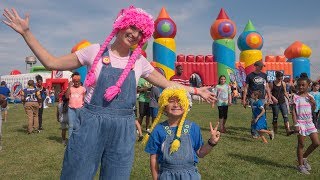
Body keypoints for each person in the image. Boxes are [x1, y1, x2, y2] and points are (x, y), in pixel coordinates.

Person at [2, 6, 214, 179]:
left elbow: (167, 84)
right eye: (132, 27)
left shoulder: (139, 61)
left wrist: (196, 90)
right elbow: (51, 62)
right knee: (77, 174)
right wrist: (26, 33)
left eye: (140, 32)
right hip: (90, 123)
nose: (134, 34)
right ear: (122, 24)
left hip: (123, 128)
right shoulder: (94, 51)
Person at [143, 87, 220, 180]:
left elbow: (200, 153)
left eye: (180, 100)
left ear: (187, 104)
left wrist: (211, 142)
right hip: (167, 176)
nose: (176, 105)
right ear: (164, 106)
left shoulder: (193, 128)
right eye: (171, 101)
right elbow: (153, 158)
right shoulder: (158, 130)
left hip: (190, 176)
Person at [291, 77, 320, 174]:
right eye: (299, 85)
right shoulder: (295, 97)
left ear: (308, 85)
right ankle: (300, 166)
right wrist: (296, 124)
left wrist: (313, 104)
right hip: (300, 122)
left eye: (303, 85)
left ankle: (304, 157)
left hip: (309, 122)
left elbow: (314, 109)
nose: (300, 87)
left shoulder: (310, 96)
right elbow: (293, 111)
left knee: (316, 143)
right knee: (301, 144)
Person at [242, 61, 272, 138]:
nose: (262, 67)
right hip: (253, 99)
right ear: (255, 66)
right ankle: (254, 132)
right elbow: (246, 88)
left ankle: (261, 131)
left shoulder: (264, 75)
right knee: (255, 114)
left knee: (262, 115)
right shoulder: (250, 76)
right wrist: (244, 99)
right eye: (260, 66)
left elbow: (267, 87)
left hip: (262, 98)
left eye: (262, 66)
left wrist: (269, 97)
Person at [269, 71, 293, 135]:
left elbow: (285, 92)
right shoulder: (272, 83)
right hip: (275, 103)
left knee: (285, 116)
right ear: (276, 77)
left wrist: (288, 99)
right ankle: (275, 130)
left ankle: (288, 130)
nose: (280, 80)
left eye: (281, 78)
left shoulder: (283, 83)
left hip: (282, 102)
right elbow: (269, 92)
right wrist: (273, 98)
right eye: (279, 78)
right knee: (275, 117)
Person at [65, 72, 86, 138]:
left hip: (80, 109)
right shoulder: (71, 88)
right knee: (71, 125)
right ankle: (70, 141)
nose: (76, 83)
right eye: (75, 81)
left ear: (80, 81)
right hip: (71, 109)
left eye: (78, 81)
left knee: (78, 125)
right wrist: (69, 87)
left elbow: (85, 99)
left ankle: (77, 139)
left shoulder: (83, 89)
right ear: (73, 81)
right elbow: (66, 97)